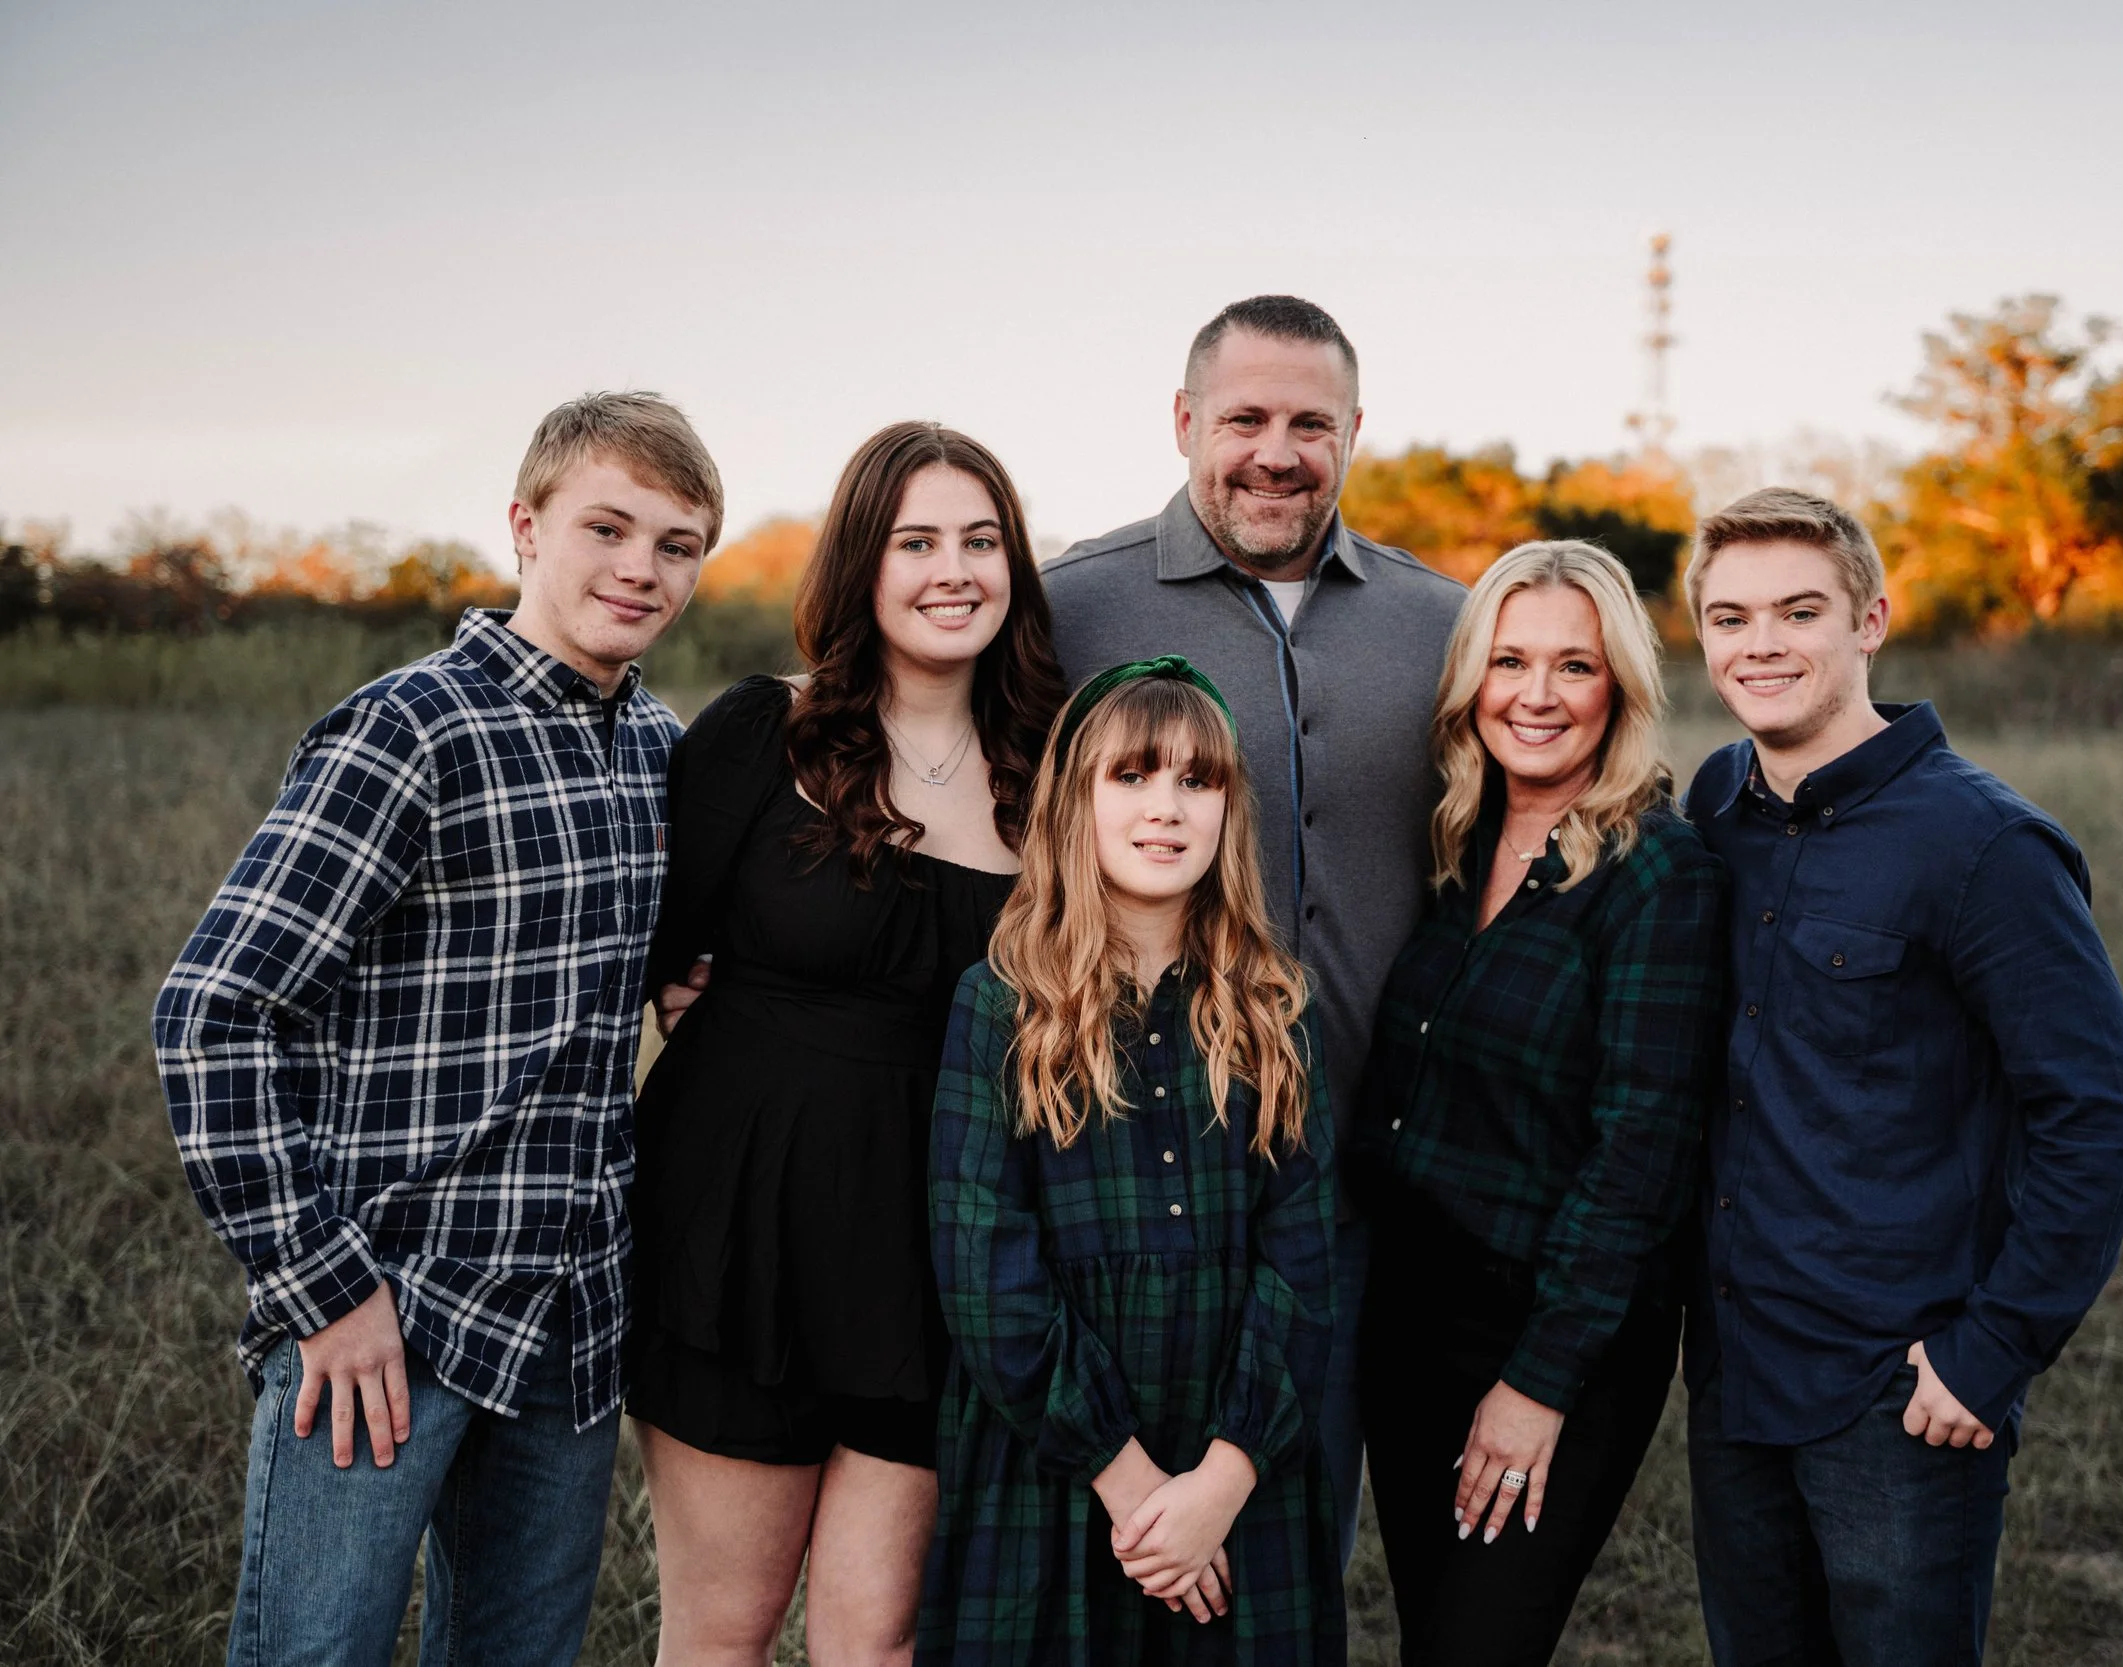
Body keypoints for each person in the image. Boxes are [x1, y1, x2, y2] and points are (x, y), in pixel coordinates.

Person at [153, 391, 723, 1667]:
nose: (640, 568)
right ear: (525, 527)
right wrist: (323, 1288)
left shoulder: (659, 751)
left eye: (677, 544)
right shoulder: (411, 729)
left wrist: (694, 987)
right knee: (316, 1650)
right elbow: (214, 1009)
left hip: (572, 1314)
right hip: (391, 1310)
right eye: (607, 528)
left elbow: (632, 968)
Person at [1679, 487, 2123, 1665]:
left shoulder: (1985, 846)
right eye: (1730, 617)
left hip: (1897, 1387)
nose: (1761, 644)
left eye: (1799, 611)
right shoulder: (1716, 804)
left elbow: (2096, 1113)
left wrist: (1991, 1349)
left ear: (1870, 620)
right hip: (1736, 1364)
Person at [626, 422, 1063, 1667]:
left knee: (877, 1646)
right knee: (723, 1636)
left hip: (940, 1258)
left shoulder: (1053, 769)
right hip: (742, 1239)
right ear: (861, 562)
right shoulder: (763, 732)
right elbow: (651, 946)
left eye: (980, 541)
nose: (953, 570)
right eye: (915, 541)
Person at [1042, 295, 1465, 1562]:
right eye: (1244, 419)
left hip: (1370, 1169)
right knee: (1121, 1545)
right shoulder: (1066, 608)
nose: (1276, 453)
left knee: (1299, 1535)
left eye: (1310, 424)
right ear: (1184, 421)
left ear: (1354, 433)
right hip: (1129, 1160)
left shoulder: (1443, 623)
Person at [917, 659, 1341, 1667]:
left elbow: (1304, 1260)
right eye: (1133, 775)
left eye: (1198, 780)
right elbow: (984, 1268)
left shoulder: (1274, 1011)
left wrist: (1220, 1482)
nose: (1166, 807)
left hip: (1234, 1450)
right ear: (1076, 798)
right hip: (1059, 1463)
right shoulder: (1002, 1003)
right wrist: (1134, 1484)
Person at [1349, 541, 1726, 1665]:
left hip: (1550, 1331)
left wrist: (1537, 1380)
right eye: (1510, 661)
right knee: (1430, 1633)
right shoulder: (1456, 839)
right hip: (1407, 1318)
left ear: (1620, 687)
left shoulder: (1658, 873)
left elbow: (1641, 1153)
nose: (1537, 694)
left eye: (1575, 665)